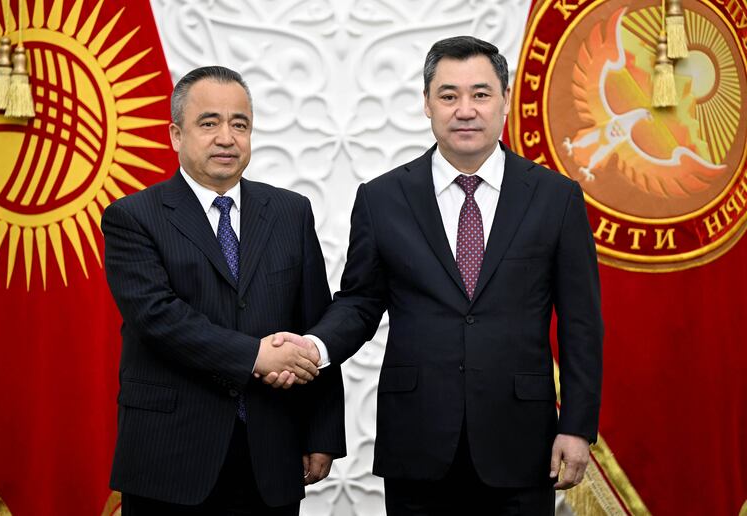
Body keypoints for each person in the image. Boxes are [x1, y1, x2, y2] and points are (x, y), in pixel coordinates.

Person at [268, 36, 603, 514]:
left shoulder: (555, 197)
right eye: (449, 95)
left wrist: (576, 425)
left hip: (521, 443)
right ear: (427, 103)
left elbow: (581, 324)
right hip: (418, 443)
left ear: (505, 100)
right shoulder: (383, 198)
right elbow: (360, 302)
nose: (465, 109)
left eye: (481, 94)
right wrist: (313, 349)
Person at [102, 66, 345, 515]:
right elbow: (159, 317)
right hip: (170, 457)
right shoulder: (133, 217)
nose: (226, 138)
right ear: (176, 135)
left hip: (270, 453)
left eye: (240, 124)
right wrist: (256, 356)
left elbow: (315, 322)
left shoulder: (290, 212)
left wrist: (322, 435)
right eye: (209, 123)